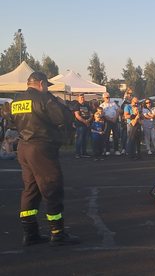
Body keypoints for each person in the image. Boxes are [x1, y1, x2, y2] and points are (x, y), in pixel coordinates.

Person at [10, 72, 79, 246]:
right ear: (41, 84)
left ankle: (30, 233)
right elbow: (62, 118)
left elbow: (12, 121)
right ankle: (57, 233)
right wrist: (56, 102)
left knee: (30, 190)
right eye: (47, 86)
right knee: (51, 188)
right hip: (41, 148)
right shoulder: (44, 99)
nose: (47, 89)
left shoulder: (16, 101)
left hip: (23, 147)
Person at [73, 94, 93, 158]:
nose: (82, 99)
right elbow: (77, 115)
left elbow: (91, 114)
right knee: (79, 139)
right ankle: (77, 153)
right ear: (78, 98)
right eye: (81, 98)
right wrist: (85, 121)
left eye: (83, 98)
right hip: (80, 125)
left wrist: (89, 120)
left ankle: (84, 152)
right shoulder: (77, 105)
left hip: (87, 124)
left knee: (85, 139)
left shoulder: (87, 105)